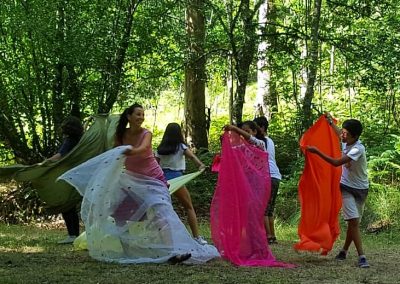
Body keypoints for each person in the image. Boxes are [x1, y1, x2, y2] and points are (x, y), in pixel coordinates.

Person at [60, 103, 220, 264]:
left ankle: (174, 253)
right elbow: (114, 155)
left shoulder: (146, 134)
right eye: (138, 114)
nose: (141, 117)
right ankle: (129, 250)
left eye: (143, 114)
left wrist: (128, 150)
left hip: (155, 180)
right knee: (121, 214)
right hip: (132, 182)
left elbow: (142, 149)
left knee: (162, 215)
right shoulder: (120, 135)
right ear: (129, 117)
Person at [306, 114, 370, 268]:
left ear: (355, 136)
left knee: (353, 223)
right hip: (346, 187)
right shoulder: (346, 141)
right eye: (343, 131)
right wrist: (329, 123)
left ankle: (344, 251)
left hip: (361, 189)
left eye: (346, 133)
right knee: (353, 221)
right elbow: (338, 132)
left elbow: (336, 163)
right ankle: (362, 256)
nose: (342, 135)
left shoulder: (357, 149)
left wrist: (317, 151)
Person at [155, 123, 207, 245]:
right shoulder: (181, 147)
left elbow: (155, 166)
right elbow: (193, 157)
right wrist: (201, 165)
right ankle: (196, 237)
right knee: (188, 207)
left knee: (163, 209)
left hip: (162, 180)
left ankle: (163, 240)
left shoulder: (160, 149)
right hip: (177, 179)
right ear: (179, 133)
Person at [46, 116, 83, 244]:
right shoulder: (83, 140)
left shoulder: (70, 140)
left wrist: (44, 163)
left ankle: (72, 234)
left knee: (66, 204)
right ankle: (75, 234)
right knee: (72, 204)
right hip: (80, 173)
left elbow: (59, 155)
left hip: (69, 174)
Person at [254, 116, 281, 245]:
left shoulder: (261, 142)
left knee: (264, 208)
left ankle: (268, 236)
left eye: (256, 127)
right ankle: (272, 235)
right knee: (269, 208)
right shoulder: (269, 141)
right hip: (275, 176)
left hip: (268, 176)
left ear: (262, 128)